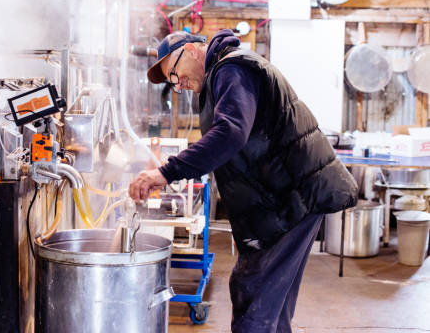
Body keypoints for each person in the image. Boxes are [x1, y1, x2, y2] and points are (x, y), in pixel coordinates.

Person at [128, 29, 358, 333]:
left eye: (175, 73)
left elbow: (230, 134)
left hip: (291, 199)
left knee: (254, 300)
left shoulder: (231, 69)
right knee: (268, 305)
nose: (178, 84)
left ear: (194, 52)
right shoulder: (221, 78)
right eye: (172, 82)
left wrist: (165, 172)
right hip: (281, 200)